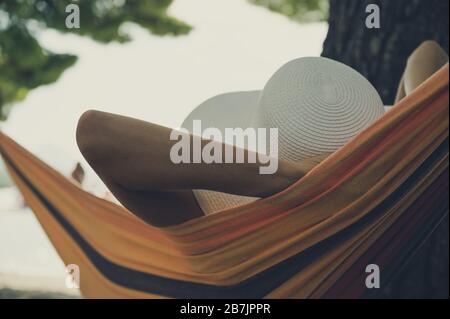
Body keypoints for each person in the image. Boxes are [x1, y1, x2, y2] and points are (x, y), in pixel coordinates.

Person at [76, 41, 448, 228]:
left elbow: (95, 134)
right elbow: (428, 53)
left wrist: (291, 177)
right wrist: (405, 130)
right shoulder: (388, 186)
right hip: (365, 185)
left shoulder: (205, 222)